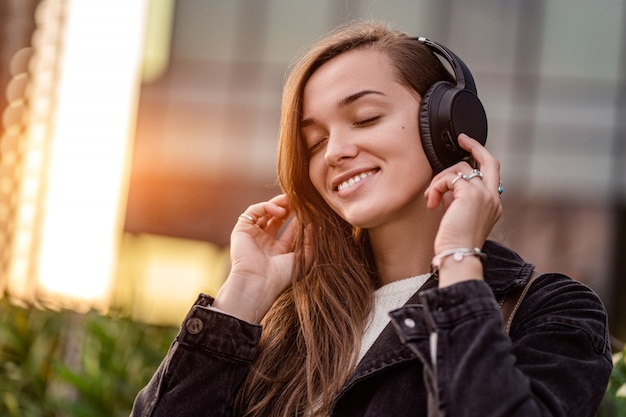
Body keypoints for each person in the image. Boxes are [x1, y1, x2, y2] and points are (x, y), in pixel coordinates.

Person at [130, 20, 612, 417]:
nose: (335, 152)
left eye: (364, 118)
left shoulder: (547, 310)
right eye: (315, 141)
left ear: (446, 124)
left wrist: (459, 259)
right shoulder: (291, 315)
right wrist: (244, 294)